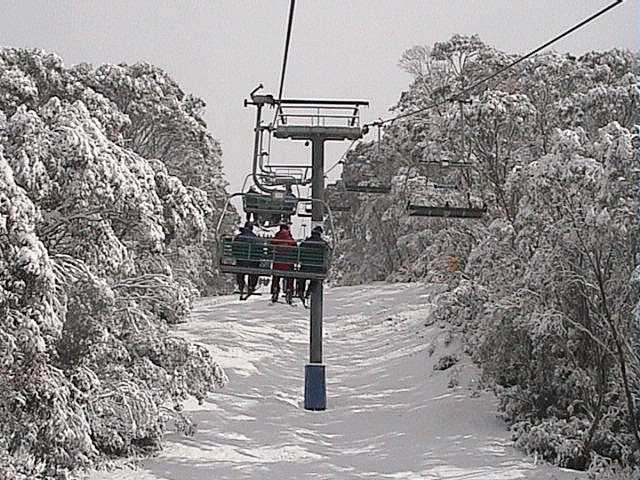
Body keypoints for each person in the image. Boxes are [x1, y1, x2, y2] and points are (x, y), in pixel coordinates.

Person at [296, 225, 329, 304]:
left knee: (302, 277)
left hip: (305, 267)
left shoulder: (305, 242)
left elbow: (299, 254)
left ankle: (301, 290)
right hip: (317, 268)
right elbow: (327, 255)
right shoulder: (323, 244)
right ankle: (309, 292)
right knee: (316, 279)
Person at [232, 221, 261, 299]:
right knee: (255, 269)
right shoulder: (256, 238)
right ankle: (252, 285)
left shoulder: (239, 237)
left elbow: (234, 248)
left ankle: (241, 285)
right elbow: (260, 251)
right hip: (252, 263)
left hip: (241, 261)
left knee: (240, 269)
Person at [270, 223, 297, 303]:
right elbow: (296, 252)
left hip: (277, 264)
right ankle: (289, 289)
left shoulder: (276, 239)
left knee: (276, 276)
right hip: (288, 265)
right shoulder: (291, 240)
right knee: (290, 276)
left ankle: (275, 289)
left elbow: (270, 249)